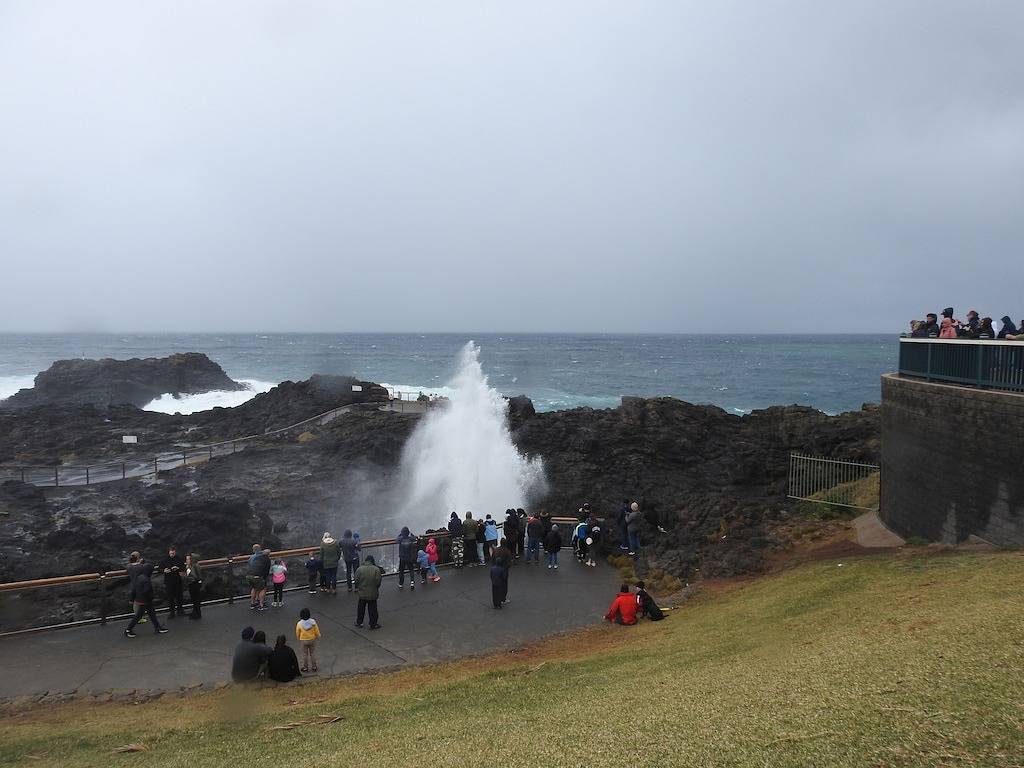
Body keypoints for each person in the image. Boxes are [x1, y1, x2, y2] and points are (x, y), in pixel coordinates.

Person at [124, 565, 168, 638]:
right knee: (140, 616)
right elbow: (147, 591)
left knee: (151, 614)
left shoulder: (139, 577)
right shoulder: (146, 579)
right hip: (145, 600)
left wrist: (132, 599)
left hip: (140, 599)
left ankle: (157, 627)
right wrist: (151, 598)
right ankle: (128, 630)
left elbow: (134, 589)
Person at [354, 555, 383, 629]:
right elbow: (378, 582)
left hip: (362, 593)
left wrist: (360, 587)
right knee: (373, 609)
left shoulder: (359, 569)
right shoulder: (376, 569)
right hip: (372, 593)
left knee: (361, 608)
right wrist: (375, 588)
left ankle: (359, 622)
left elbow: (356, 580)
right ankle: (373, 624)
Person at [158, 545, 186, 619]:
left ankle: (180, 611)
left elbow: (183, 567)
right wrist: (164, 570)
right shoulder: (164, 560)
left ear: (175, 552)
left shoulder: (178, 558)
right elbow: (159, 569)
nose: (172, 555)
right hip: (169, 581)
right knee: (170, 598)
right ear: (169, 552)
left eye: (173, 553)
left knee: (179, 597)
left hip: (177, 580)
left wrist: (178, 568)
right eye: (171, 553)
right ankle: (172, 612)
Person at [295, 607, 321, 673]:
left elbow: (297, 632)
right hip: (312, 639)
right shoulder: (313, 622)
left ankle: (305, 667)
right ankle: (314, 667)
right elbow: (316, 630)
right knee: (312, 653)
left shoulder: (299, 623)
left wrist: (298, 637)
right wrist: (318, 636)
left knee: (305, 654)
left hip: (304, 640)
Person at [126, 551, 148, 624]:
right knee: (140, 602)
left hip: (133, 586)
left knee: (135, 602)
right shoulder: (140, 567)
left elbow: (130, 566)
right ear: (138, 557)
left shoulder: (129, 566)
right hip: (140, 586)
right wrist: (141, 562)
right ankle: (139, 618)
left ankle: (138, 617)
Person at [247, 544, 271, 611]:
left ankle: (252, 604)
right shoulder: (266, 558)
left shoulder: (251, 557)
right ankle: (261, 605)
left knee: (254, 588)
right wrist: (264, 578)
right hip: (257, 576)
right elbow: (266, 570)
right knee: (263, 588)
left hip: (249, 575)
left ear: (253, 550)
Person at [185, 552, 202, 619]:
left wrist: (199, 582)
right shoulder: (189, 566)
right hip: (191, 584)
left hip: (195, 583)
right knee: (194, 599)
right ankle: (195, 612)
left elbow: (198, 576)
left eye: (188, 559)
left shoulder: (195, 566)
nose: (187, 561)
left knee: (196, 599)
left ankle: (197, 614)